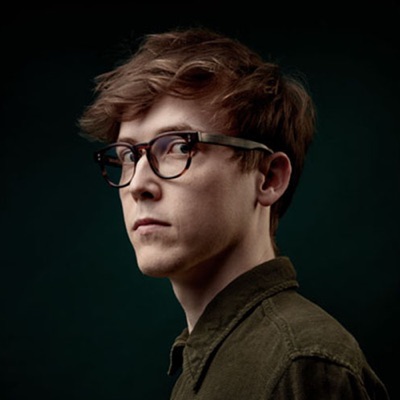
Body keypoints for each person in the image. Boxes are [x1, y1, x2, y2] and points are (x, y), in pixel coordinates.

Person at [78, 27, 389, 399]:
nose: (137, 184)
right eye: (127, 155)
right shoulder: (208, 361)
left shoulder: (300, 365)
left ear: (269, 177)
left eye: (179, 147)